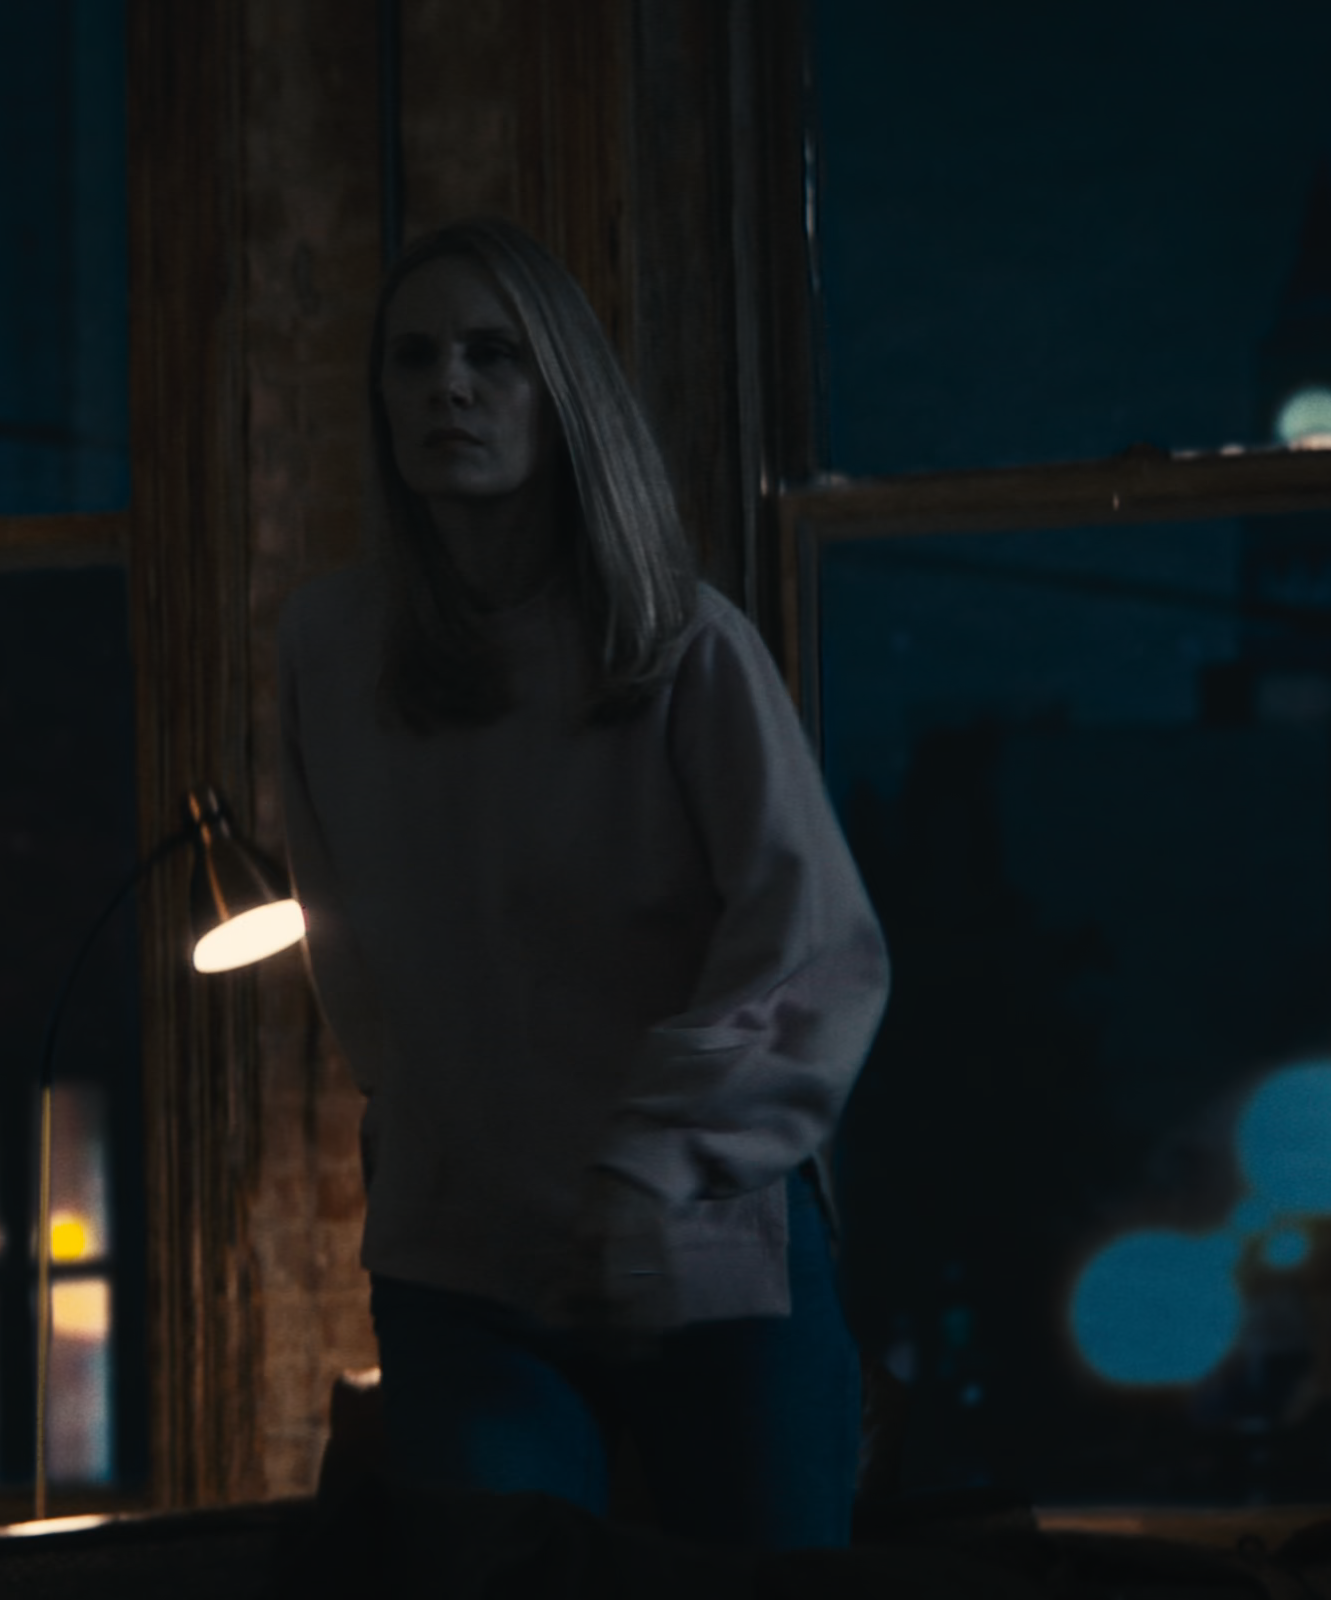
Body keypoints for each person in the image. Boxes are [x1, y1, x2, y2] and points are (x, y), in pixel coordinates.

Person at [274, 216, 890, 1550]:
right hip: (462, 1262)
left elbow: (813, 952)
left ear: (564, 396)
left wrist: (653, 1162)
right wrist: (423, 1133)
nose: (448, 386)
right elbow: (347, 944)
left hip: (701, 1249)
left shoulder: (684, 645)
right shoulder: (327, 648)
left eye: (492, 355)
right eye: (413, 358)